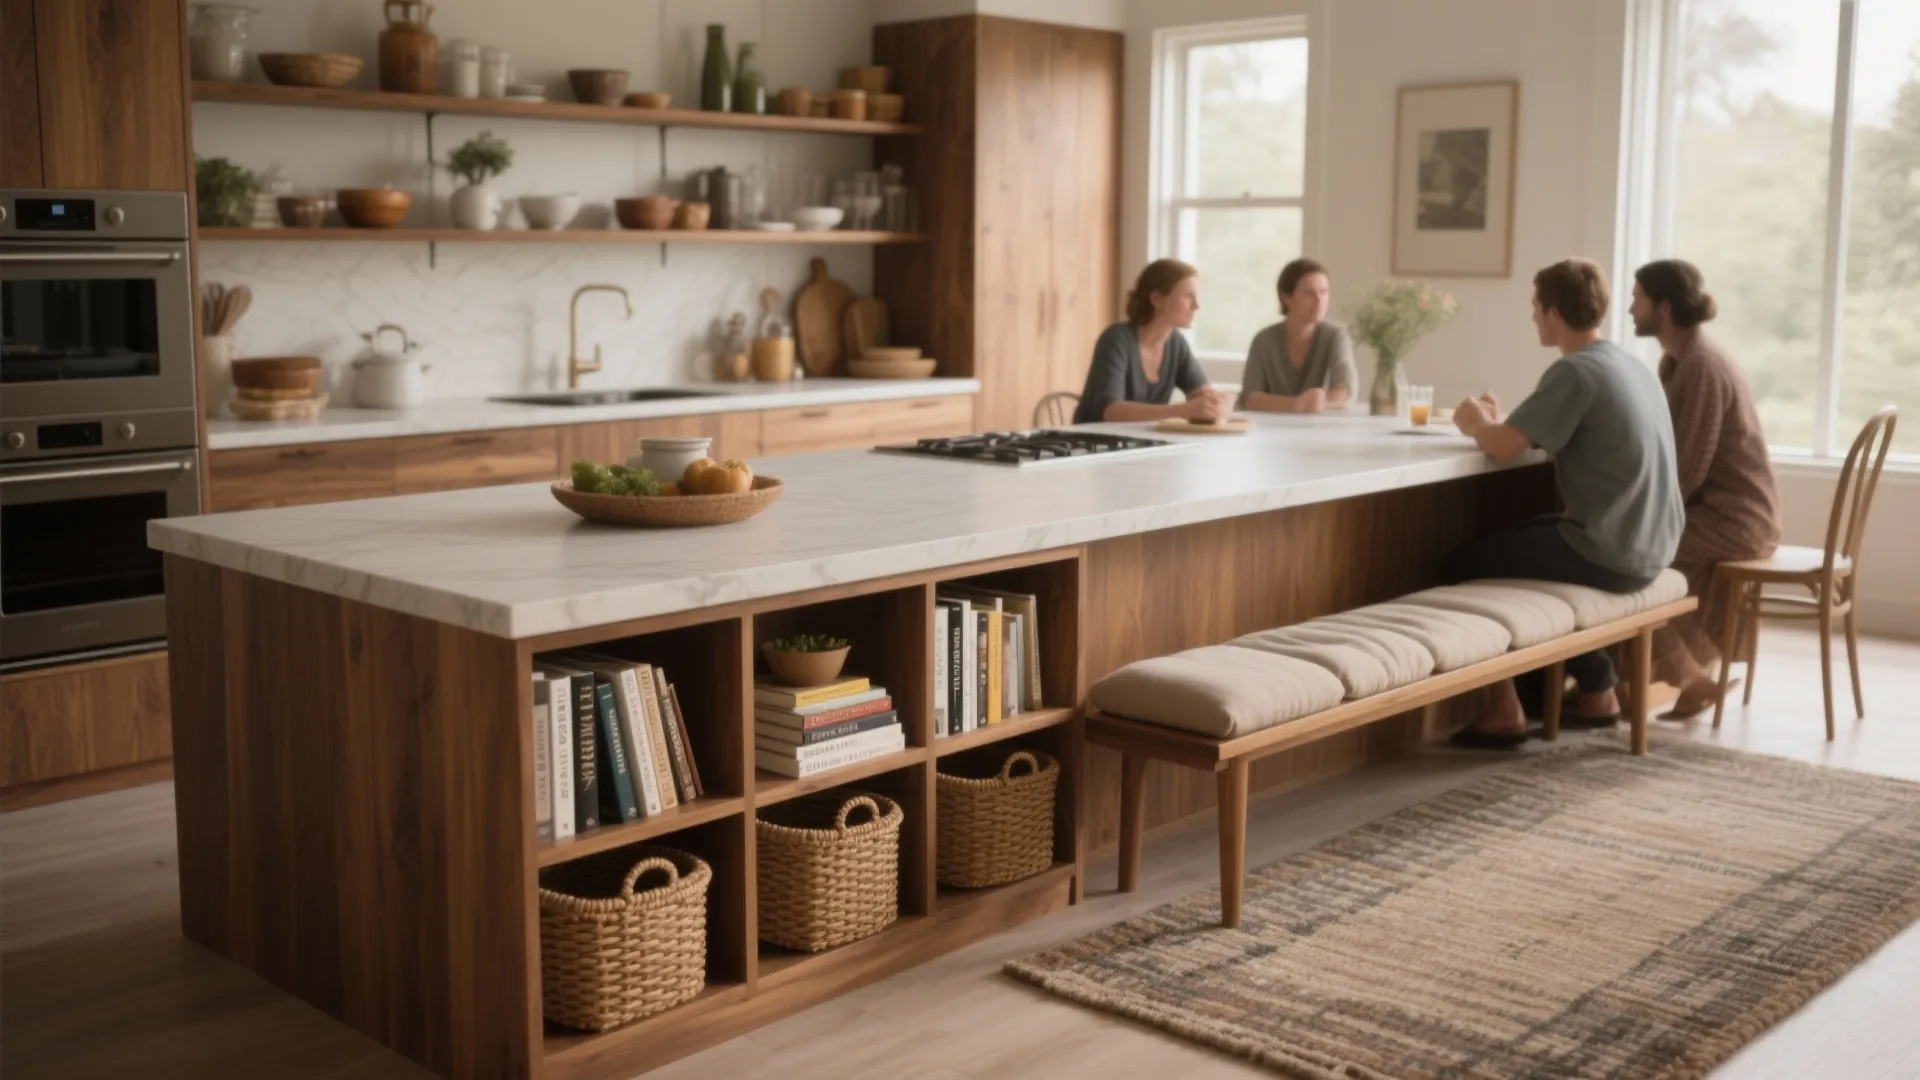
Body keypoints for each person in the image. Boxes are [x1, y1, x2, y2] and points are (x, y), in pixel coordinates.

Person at [1444, 258, 1685, 748]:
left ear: (1553, 313)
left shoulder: (1573, 372)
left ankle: (1502, 710)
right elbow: (1531, 433)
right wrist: (1499, 423)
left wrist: (1473, 422)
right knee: (1527, 540)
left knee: (1462, 563)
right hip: (1654, 545)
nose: (1532, 317)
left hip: (1610, 549)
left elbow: (1503, 446)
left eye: (1535, 307)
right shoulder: (1627, 365)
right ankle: (1596, 689)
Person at [1631, 259, 1781, 718]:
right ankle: (1677, 674)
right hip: (1719, 511)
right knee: (1631, 552)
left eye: (1637, 299)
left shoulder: (1700, 366)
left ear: (1664, 307)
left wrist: (1634, 514)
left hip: (1736, 519)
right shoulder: (1678, 361)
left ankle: (1682, 673)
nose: (1629, 309)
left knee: (1625, 559)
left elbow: (1687, 469)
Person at [1073, 259, 1231, 424]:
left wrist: (1215, 402)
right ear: (1157, 299)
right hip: (1095, 444)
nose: (1196, 305)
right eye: (1188, 296)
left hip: (1142, 442)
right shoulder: (1116, 339)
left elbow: (1201, 393)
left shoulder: (1176, 343)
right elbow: (1112, 412)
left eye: (1196, 297)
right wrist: (1182, 410)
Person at [1239, 258, 1359, 414]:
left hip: (1321, 430)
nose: (1319, 301)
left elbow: (1346, 393)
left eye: (1323, 292)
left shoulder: (1336, 336)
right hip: (1270, 431)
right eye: (1309, 293)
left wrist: (1277, 402)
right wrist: (1297, 404)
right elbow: (1250, 398)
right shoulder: (1264, 340)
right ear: (1286, 297)